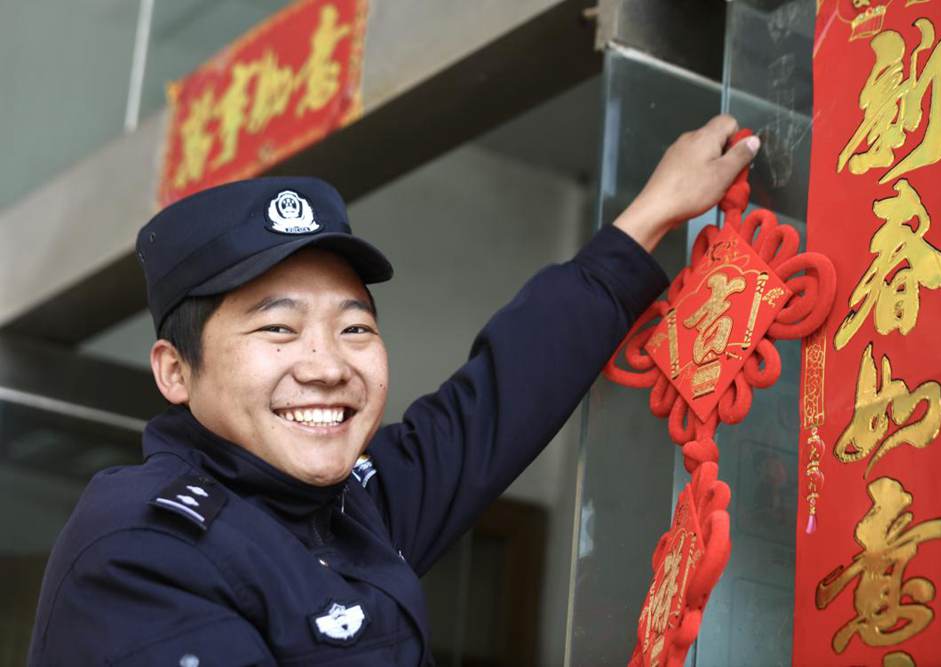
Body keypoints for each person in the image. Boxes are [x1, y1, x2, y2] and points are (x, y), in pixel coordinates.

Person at [28, 115, 757, 665]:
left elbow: (499, 397)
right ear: (174, 370)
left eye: (354, 328)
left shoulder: (352, 506)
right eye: (278, 329)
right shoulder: (143, 548)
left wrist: (652, 215)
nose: (326, 365)